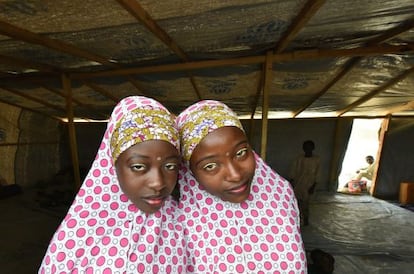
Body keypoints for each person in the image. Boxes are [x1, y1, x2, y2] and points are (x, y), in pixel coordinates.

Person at [39, 96, 185, 273]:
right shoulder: (76, 238)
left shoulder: (182, 224)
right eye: (138, 166)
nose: (158, 183)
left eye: (170, 166)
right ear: (111, 164)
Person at [176, 100, 307, 273]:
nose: (235, 175)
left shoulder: (280, 194)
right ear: (190, 171)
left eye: (241, 153)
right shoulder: (177, 222)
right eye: (210, 166)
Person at [289, 140, 320, 226]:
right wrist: (291, 184)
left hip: (309, 184)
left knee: (306, 204)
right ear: (303, 148)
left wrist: (313, 186)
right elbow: (293, 171)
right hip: (299, 184)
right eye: (306, 147)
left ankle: (306, 220)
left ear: (313, 148)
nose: (307, 149)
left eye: (309, 147)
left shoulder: (317, 159)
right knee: (297, 203)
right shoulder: (299, 159)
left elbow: (318, 173)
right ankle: (298, 220)